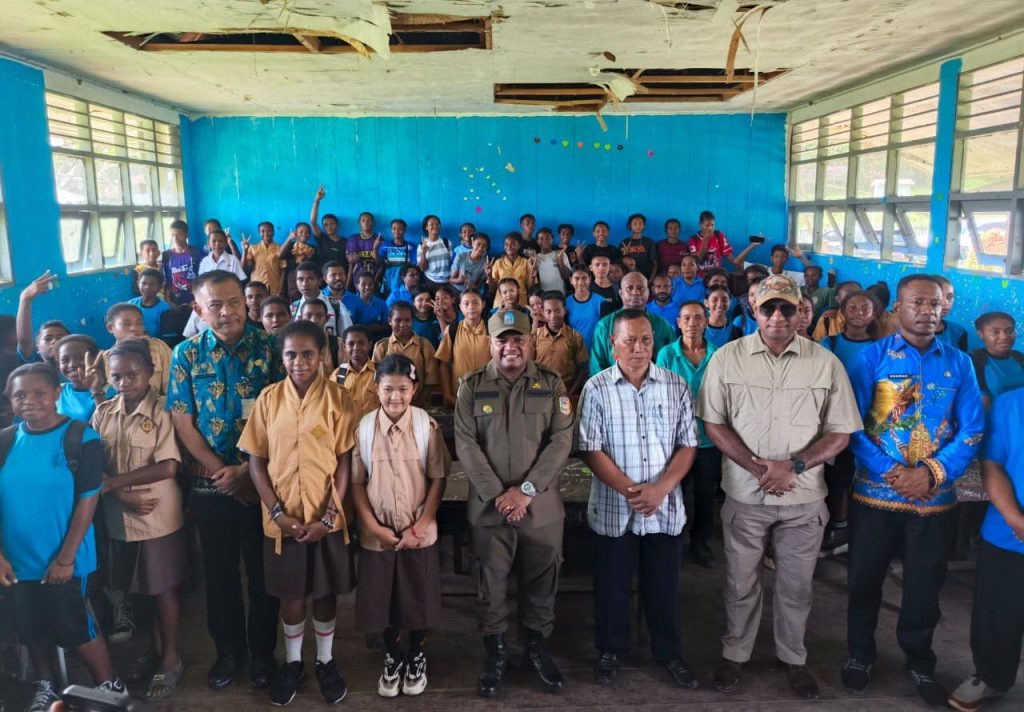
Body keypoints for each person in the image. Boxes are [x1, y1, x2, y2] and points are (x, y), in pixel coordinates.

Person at [697, 274, 862, 700]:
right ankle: (735, 654)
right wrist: (756, 467)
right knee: (739, 581)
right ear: (754, 310)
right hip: (745, 495)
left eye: (786, 308)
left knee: (796, 585)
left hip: (803, 498)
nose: (776, 316)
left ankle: (794, 659)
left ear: (800, 312)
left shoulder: (825, 363)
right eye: (768, 307)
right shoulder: (727, 359)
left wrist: (795, 466)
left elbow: (841, 432)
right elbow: (713, 423)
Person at [843, 274, 984, 706]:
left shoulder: (959, 363)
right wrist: (895, 472)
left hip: (934, 501)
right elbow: (850, 425)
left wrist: (932, 473)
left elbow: (973, 429)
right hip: (875, 497)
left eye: (936, 304)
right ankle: (860, 654)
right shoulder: (872, 358)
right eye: (918, 303)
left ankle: (920, 661)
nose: (928, 312)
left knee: (924, 587)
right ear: (897, 309)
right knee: (865, 580)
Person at [166, 270, 283, 691]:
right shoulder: (186, 355)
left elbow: (283, 418)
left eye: (234, 301)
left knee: (263, 572)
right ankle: (228, 652)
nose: (227, 311)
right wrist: (222, 472)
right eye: (215, 304)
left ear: (247, 302)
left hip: (262, 484)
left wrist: (248, 474)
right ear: (199, 309)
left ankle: (263, 655)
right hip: (211, 486)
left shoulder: (270, 348)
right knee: (220, 575)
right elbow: (183, 421)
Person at [454, 309, 574, 698]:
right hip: (490, 510)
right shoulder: (471, 386)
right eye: (502, 339)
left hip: (540, 508)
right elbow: (466, 445)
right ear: (490, 343)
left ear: (530, 342)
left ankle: (536, 648)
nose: (511, 346)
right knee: (491, 581)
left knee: (542, 581)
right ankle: (496, 652)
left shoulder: (551, 384)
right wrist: (500, 495)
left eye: (518, 338)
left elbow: (560, 443)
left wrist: (525, 490)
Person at [238, 320, 357, 706]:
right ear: (281, 356)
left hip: (326, 518)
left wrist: (328, 518)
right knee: (291, 593)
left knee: (324, 592)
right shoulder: (269, 400)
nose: (299, 362)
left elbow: (344, 461)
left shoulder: (339, 399)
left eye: (308, 354)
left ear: (322, 355)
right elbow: (256, 461)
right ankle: (293, 663)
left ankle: (324, 659)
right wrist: (276, 512)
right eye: (291, 354)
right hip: (283, 520)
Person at [579, 308, 699, 688]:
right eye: (629, 340)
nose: (638, 347)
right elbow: (590, 448)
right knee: (612, 586)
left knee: (663, 585)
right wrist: (634, 492)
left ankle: (668, 653)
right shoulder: (596, 388)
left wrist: (660, 489)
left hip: (664, 508)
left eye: (645, 339)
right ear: (612, 345)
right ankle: (611, 650)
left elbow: (688, 444)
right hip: (616, 507)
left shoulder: (675, 385)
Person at [0, 363, 126, 710]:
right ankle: (47, 685)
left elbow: (88, 500)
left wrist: (66, 558)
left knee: (75, 625)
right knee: (30, 626)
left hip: (64, 557)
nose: (29, 401)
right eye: (20, 395)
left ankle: (109, 685)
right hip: (15, 559)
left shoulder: (79, 437)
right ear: (10, 400)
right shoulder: (6, 440)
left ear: (57, 394)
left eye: (39, 392)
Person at [350, 354, 452, 698]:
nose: (395, 397)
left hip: (418, 533)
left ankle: (417, 655)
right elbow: (357, 484)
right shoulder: (364, 429)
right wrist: (372, 526)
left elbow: (438, 479)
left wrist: (421, 524)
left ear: (415, 390)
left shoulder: (426, 426)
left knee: (418, 599)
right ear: (375, 388)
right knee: (385, 602)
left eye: (403, 389)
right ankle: (392, 657)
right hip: (377, 535)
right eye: (388, 389)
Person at [91, 340, 186, 701]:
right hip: (119, 516)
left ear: (150, 372)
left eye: (133, 374)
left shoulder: (163, 410)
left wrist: (115, 484)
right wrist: (115, 491)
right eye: (116, 376)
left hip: (155, 514)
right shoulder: (102, 412)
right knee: (137, 590)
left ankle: (171, 657)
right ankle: (154, 649)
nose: (124, 382)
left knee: (162, 589)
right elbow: (95, 465)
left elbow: (167, 466)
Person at [948, 387, 1024, 711]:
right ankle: (990, 677)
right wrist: (1016, 520)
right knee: (997, 615)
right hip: (1010, 533)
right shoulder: (1012, 404)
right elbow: (993, 466)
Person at [818, 289, 883, 554]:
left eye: (865, 308)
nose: (858, 313)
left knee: (865, 477)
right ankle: (836, 525)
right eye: (852, 307)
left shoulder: (881, 349)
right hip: (834, 423)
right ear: (842, 312)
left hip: (869, 423)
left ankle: (857, 530)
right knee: (835, 477)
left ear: (874, 313)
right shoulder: (829, 344)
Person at [656, 301, 720, 567]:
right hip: (675, 440)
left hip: (708, 439)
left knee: (706, 494)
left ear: (706, 322)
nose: (692, 324)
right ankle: (673, 539)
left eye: (698, 318)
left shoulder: (718, 355)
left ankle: (700, 542)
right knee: (674, 491)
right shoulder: (667, 355)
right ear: (678, 323)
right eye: (686, 318)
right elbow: (659, 394)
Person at [589, 273, 676, 375]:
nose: (635, 292)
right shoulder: (605, 325)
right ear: (621, 293)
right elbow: (597, 367)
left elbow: (672, 362)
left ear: (648, 293)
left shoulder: (663, 325)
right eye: (629, 288)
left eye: (640, 288)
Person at [372, 302, 440, 408]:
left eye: (407, 320)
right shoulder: (382, 347)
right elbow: (377, 379)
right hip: (390, 405)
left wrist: (419, 402)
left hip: (419, 404)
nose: (403, 324)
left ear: (412, 321)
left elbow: (431, 378)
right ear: (390, 321)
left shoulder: (424, 345)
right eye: (398, 320)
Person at [97, 303, 172, 396]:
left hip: (157, 407)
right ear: (110, 327)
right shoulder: (106, 358)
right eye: (126, 324)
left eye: (139, 323)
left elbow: (172, 388)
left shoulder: (158, 348)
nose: (134, 328)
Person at [436, 289, 489, 408]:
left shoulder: (491, 329)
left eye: (476, 302)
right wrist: (447, 395)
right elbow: (443, 364)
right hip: (459, 396)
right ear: (460, 306)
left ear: (483, 304)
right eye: (466, 303)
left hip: (488, 394)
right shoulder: (452, 330)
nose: (471, 307)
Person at [532, 292, 588, 402]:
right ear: (543, 312)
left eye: (557, 311)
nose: (553, 315)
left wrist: (570, 393)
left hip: (566, 393)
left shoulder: (575, 337)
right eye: (548, 311)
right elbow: (529, 366)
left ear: (564, 311)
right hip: (540, 393)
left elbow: (582, 369)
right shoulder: (535, 335)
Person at [16, 271, 70, 367]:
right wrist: (25, 299)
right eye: (48, 339)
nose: (54, 341)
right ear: (37, 348)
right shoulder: (36, 367)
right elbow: (24, 341)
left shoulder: (79, 368)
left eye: (61, 338)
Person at [970, 311, 1024, 407]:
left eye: (1010, 331)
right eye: (995, 332)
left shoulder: (1019, 358)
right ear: (981, 334)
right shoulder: (974, 360)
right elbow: (983, 404)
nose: (1004, 337)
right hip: (996, 420)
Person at [293, 261, 353, 338]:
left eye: (310, 279)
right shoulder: (294, 308)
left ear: (320, 281)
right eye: (300, 279)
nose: (304, 284)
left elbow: (347, 335)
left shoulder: (335, 305)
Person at [687, 210, 756, 275]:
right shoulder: (693, 239)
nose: (710, 228)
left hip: (716, 275)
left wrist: (752, 246)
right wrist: (705, 240)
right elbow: (696, 260)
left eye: (712, 225)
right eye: (707, 225)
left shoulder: (718, 236)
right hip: (700, 277)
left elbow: (733, 260)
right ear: (700, 225)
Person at [56, 335, 107, 422]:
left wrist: (97, 391)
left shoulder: (111, 392)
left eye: (80, 358)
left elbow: (107, 425)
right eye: (65, 360)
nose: (72, 364)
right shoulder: (58, 391)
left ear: (95, 360)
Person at [331, 325, 379, 416]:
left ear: (369, 345)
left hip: (373, 427)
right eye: (351, 344)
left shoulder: (380, 372)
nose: (356, 347)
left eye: (361, 343)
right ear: (344, 347)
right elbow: (332, 404)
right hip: (346, 428)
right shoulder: (338, 374)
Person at [162, 220, 203, 306]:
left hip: (196, 301)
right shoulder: (166, 256)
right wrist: (168, 301)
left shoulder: (197, 253)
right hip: (174, 303)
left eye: (179, 235)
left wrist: (198, 299)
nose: (175, 238)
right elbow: (165, 281)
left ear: (186, 235)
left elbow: (204, 279)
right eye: (172, 235)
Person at [565, 265, 605, 350]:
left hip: (597, 350)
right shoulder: (566, 303)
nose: (580, 282)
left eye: (584, 278)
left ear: (590, 279)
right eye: (577, 278)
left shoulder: (600, 301)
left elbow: (605, 329)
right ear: (570, 280)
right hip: (576, 351)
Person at [342, 273, 389, 341]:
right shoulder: (348, 301)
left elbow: (387, 325)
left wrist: (367, 328)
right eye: (363, 284)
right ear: (357, 286)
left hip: (376, 339)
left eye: (370, 284)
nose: (367, 287)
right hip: (354, 338)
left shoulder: (381, 303)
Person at [488, 233, 531, 308]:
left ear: (519, 246)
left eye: (513, 244)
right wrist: (489, 275)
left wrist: (533, 275)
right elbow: (492, 289)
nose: (509, 247)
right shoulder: (498, 262)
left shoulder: (526, 262)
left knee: (521, 319)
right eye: (506, 244)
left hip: (521, 303)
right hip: (500, 303)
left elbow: (530, 287)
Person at [242, 222, 284, 297]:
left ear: (273, 232)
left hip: (274, 288)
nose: (266, 233)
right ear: (259, 233)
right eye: (263, 231)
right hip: (257, 286)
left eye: (269, 231)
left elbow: (283, 270)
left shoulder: (279, 248)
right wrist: (245, 251)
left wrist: (280, 290)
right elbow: (244, 267)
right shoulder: (253, 248)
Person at [309, 186, 347, 268]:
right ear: (322, 227)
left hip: (341, 276)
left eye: (332, 224)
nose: (329, 227)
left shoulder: (346, 242)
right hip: (325, 276)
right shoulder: (322, 239)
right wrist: (316, 201)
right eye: (325, 225)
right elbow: (313, 222)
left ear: (337, 225)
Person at [346, 212, 384, 291]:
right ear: (359, 223)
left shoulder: (378, 238)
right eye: (363, 220)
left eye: (369, 221)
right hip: (357, 276)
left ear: (372, 223)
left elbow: (379, 263)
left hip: (374, 275)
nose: (366, 223)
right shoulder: (353, 238)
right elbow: (351, 260)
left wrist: (375, 248)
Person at [130, 269, 173, 339]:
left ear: (160, 286)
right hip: (131, 343)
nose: (147, 287)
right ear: (138, 284)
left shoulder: (165, 309)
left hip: (154, 346)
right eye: (143, 283)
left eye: (152, 284)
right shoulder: (130, 305)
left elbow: (166, 338)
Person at [279, 224, 318, 301]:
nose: (304, 234)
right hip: (293, 276)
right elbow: (280, 255)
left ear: (309, 235)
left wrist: (306, 258)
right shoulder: (291, 245)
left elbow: (316, 265)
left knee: (308, 297)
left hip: (308, 275)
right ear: (295, 233)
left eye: (307, 232)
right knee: (294, 297)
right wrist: (289, 238)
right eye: (301, 232)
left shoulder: (312, 248)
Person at [381, 219, 417, 295]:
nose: (397, 231)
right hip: (389, 279)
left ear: (404, 230)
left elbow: (414, 265)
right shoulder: (385, 246)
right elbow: (379, 263)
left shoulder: (411, 247)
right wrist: (375, 249)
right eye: (394, 228)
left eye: (400, 228)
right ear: (391, 230)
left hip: (404, 280)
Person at [417, 215, 452, 289]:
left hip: (448, 281)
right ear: (426, 227)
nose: (435, 226)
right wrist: (423, 253)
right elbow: (422, 269)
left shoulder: (447, 242)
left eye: (437, 224)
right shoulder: (421, 246)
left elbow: (452, 263)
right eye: (431, 224)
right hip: (431, 282)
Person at [934, 275, 968, 351]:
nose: (946, 302)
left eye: (950, 297)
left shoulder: (958, 332)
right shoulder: (907, 332)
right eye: (938, 296)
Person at [619, 214, 658, 280]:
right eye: (635, 224)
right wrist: (625, 255)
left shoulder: (649, 242)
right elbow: (620, 263)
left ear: (644, 226)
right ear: (630, 226)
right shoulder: (624, 242)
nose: (638, 226)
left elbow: (655, 263)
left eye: (640, 223)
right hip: (628, 278)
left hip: (646, 278)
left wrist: (651, 280)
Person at [532, 228, 570, 294]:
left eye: (548, 238)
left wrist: (560, 260)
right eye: (541, 238)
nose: (545, 240)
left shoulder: (561, 254)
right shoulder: (534, 258)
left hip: (560, 294)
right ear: (537, 241)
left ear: (552, 240)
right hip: (543, 296)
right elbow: (532, 281)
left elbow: (566, 275)